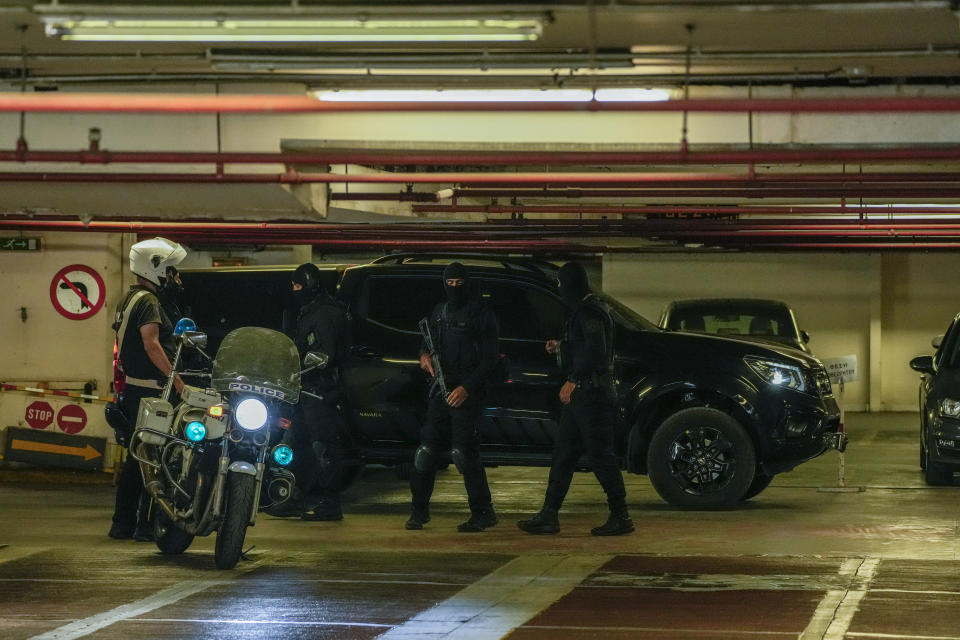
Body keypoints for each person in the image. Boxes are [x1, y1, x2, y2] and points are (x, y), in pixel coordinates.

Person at [517, 261, 634, 536]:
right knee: (564, 453)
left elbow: (595, 352)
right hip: (583, 397)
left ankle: (621, 515)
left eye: (560, 282)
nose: (559, 288)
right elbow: (586, 345)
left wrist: (573, 379)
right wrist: (563, 346)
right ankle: (548, 515)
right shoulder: (584, 311)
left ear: (570, 283)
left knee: (600, 456)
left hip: (592, 395)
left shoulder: (589, 312)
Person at [406, 262, 500, 533]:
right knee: (425, 452)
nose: (455, 288)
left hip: (466, 394)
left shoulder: (482, 314)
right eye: (451, 283)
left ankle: (483, 513)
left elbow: (490, 358)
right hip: (440, 390)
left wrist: (467, 388)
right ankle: (419, 512)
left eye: (460, 283)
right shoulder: (439, 312)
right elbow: (427, 343)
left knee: (463, 454)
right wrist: (424, 356)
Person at [108, 237, 186, 541]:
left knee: (137, 456)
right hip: (150, 393)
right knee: (151, 457)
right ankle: (139, 524)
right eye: (172, 272)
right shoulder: (149, 302)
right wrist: (176, 381)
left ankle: (125, 523)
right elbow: (151, 344)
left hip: (134, 391)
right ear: (154, 268)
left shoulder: (128, 299)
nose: (175, 278)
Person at [289, 262, 353, 521]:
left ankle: (330, 502)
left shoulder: (325, 313)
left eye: (297, 285)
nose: (294, 290)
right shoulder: (313, 310)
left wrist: (308, 368)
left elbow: (324, 354)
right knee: (299, 442)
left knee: (322, 445)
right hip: (308, 387)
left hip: (322, 387)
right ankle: (295, 496)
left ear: (310, 284)